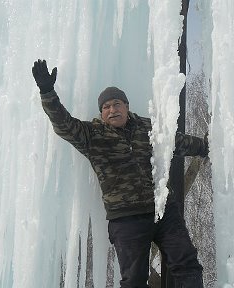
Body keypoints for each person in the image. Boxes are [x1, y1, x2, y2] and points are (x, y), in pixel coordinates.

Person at [32, 59, 208, 288]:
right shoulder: (92, 135)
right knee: (134, 280)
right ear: (101, 113)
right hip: (126, 219)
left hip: (163, 211)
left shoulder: (148, 127)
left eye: (117, 104)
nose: (112, 110)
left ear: (126, 106)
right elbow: (64, 124)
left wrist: (206, 147)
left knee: (186, 263)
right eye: (107, 107)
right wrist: (47, 92)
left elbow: (176, 142)